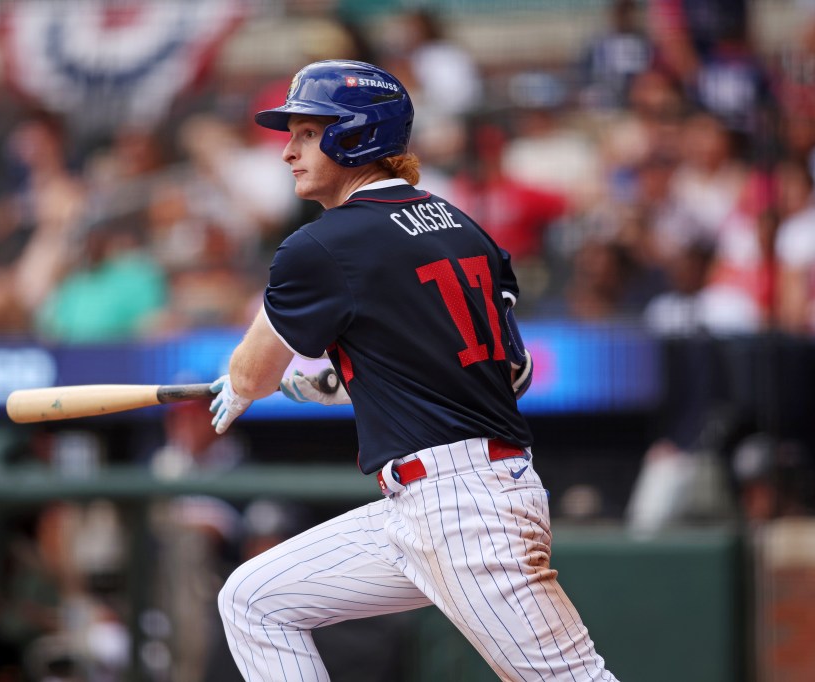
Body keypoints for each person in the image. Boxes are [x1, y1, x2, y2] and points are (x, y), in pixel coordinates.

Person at [206, 59, 617, 681]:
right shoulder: (464, 226)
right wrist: (350, 380)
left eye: (307, 133)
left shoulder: (321, 244)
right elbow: (515, 372)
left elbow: (251, 377)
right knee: (254, 600)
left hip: (461, 509)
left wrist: (241, 385)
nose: (287, 151)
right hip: (443, 499)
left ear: (356, 134)